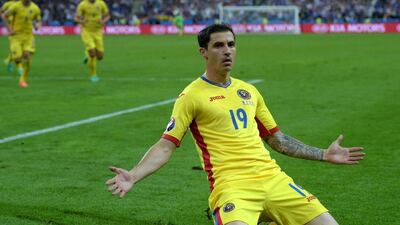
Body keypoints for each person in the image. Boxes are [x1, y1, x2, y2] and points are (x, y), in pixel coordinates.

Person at [106, 24, 365, 225]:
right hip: (232, 187)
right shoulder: (191, 96)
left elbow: (277, 140)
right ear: (203, 52)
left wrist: (324, 154)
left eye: (231, 44)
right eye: (218, 45)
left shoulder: (249, 91)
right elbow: (166, 146)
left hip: (274, 180)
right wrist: (134, 175)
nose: (227, 50)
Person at [1, 0, 41, 88]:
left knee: (27, 56)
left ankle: (22, 80)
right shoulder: (15, 6)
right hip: (16, 36)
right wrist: (9, 29)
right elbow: (4, 15)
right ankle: (11, 61)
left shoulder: (35, 8)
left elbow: (38, 20)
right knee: (18, 57)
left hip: (28, 37)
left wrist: (37, 25)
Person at [74, 0, 110, 83]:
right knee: (92, 54)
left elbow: (107, 16)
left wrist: (103, 21)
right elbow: (76, 18)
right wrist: (82, 21)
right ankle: (93, 75)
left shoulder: (101, 3)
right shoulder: (82, 4)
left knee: (100, 57)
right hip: (86, 31)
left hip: (98, 32)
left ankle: (87, 54)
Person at [1, 0, 19, 74]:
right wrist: (6, 18)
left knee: (20, 49)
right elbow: (1, 11)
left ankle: (9, 61)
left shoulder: (22, 4)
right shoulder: (8, 4)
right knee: (15, 49)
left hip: (21, 29)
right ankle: (19, 68)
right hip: (12, 29)